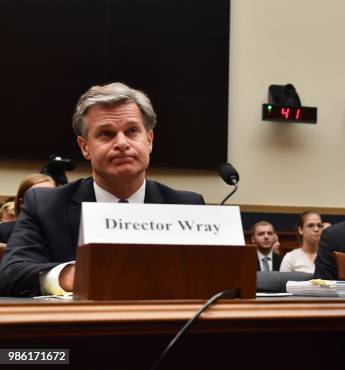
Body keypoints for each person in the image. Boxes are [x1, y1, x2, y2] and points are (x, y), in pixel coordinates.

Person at [0, 82, 205, 297]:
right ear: (84, 147)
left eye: (132, 131)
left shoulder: (187, 206)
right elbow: (10, 273)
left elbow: (221, 279)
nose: (122, 143)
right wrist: (73, 275)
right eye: (106, 134)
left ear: (149, 140)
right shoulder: (45, 206)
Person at [0, 174, 56, 243]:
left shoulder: (65, 231)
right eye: (36, 195)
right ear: (21, 203)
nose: (44, 200)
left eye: (50, 194)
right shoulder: (3, 231)